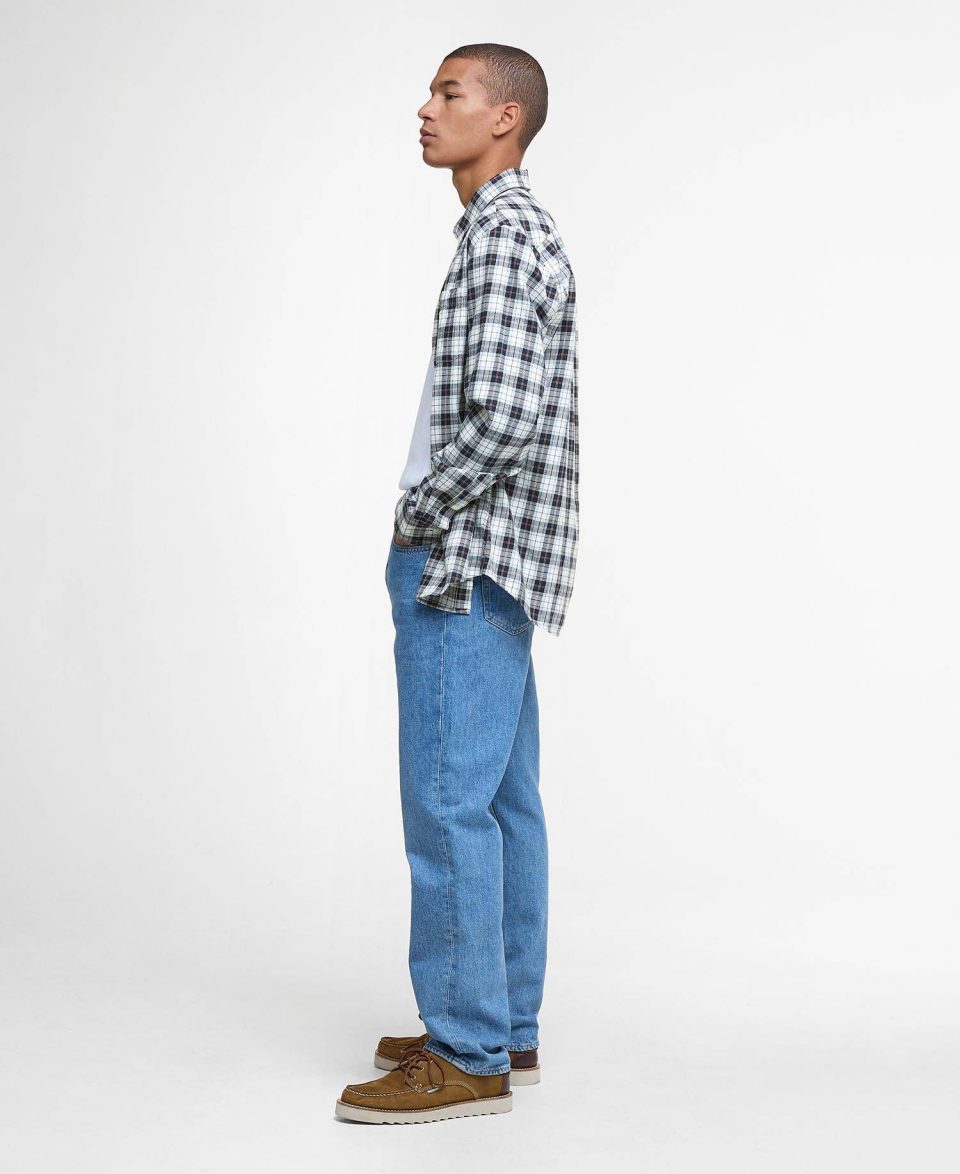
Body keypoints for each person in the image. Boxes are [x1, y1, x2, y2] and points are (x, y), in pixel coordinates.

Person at [335, 42, 579, 1125]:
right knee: (500, 801)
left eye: (450, 92)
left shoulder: (502, 236)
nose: (426, 110)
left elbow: (507, 418)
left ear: (506, 118)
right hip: (504, 563)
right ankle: (504, 1022)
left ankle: (467, 1049)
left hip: (464, 562)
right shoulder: (507, 230)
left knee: (446, 803)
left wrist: (420, 512)